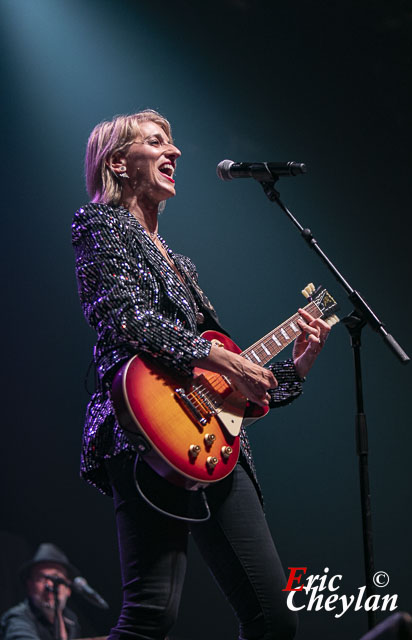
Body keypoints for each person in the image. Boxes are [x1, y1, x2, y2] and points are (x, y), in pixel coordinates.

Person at [71, 109, 331, 640]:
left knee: (273, 620)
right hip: (145, 431)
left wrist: (293, 368)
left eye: (173, 142)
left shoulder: (182, 264)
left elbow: (225, 383)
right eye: (156, 142)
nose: (176, 152)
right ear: (119, 164)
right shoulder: (99, 225)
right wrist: (222, 360)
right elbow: (125, 317)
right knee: (150, 617)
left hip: (213, 445)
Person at [0, 543, 81, 640]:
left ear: (68, 588)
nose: (50, 584)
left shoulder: (70, 618)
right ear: (30, 586)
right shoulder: (18, 618)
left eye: (56, 578)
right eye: (41, 578)